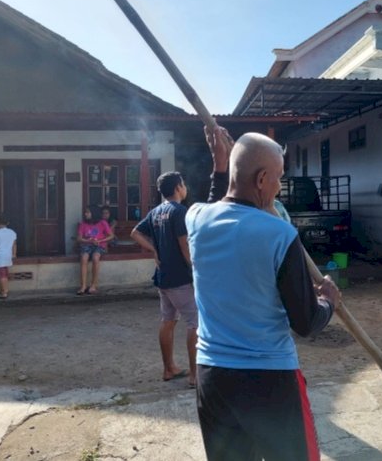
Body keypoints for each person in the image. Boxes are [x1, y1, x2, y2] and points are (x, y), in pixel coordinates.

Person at [186, 125, 341, 460]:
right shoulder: (280, 235)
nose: (280, 186)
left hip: (213, 377)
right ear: (261, 180)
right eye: (279, 177)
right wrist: (328, 301)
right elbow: (306, 321)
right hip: (270, 381)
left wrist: (219, 166)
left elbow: (216, 203)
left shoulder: (196, 219)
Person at [131, 172, 197, 388]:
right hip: (180, 277)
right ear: (178, 187)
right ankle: (195, 376)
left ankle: (169, 368)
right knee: (195, 323)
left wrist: (154, 250)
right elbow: (184, 244)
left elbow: (135, 233)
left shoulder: (156, 212)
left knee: (168, 320)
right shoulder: (179, 211)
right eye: (184, 183)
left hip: (163, 277)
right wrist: (195, 269)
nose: (185, 187)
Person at [76, 205, 114, 295]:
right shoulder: (83, 224)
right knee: (84, 258)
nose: (86, 214)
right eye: (85, 212)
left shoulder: (102, 223)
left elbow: (111, 236)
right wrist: (88, 240)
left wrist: (100, 241)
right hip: (87, 245)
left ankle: (93, 286)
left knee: (95, 258)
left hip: (99, 245)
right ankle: (83, 286)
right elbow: (79, 238)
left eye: (88, 212)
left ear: (94, 213)